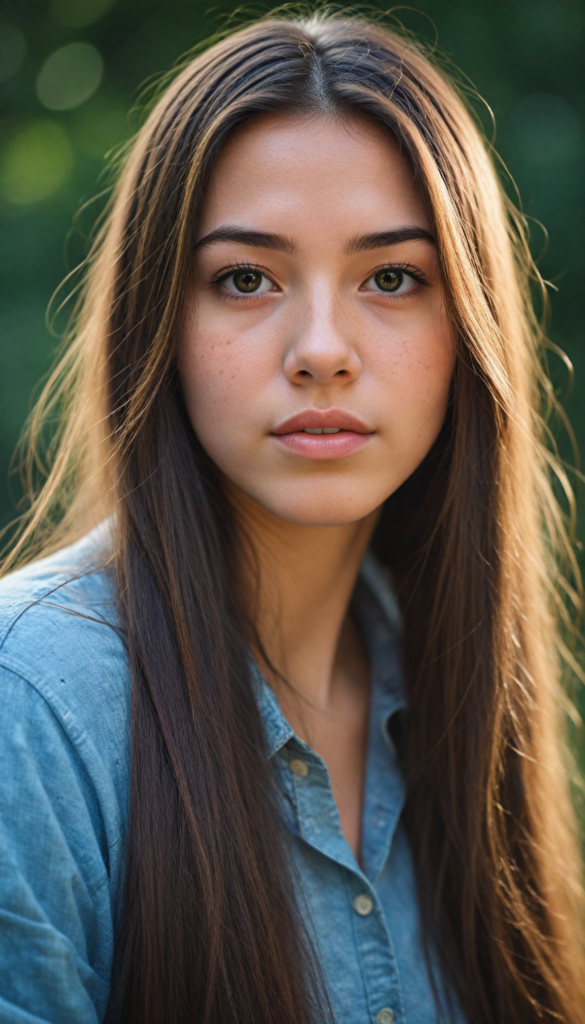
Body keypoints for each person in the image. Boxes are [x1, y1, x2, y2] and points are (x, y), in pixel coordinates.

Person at [0, 10, 583, 1024]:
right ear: (161, 325)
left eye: (392, 277)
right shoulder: (34, 710)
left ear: (469, 330)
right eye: (246, 279)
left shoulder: (455, 690)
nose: (322, 347)